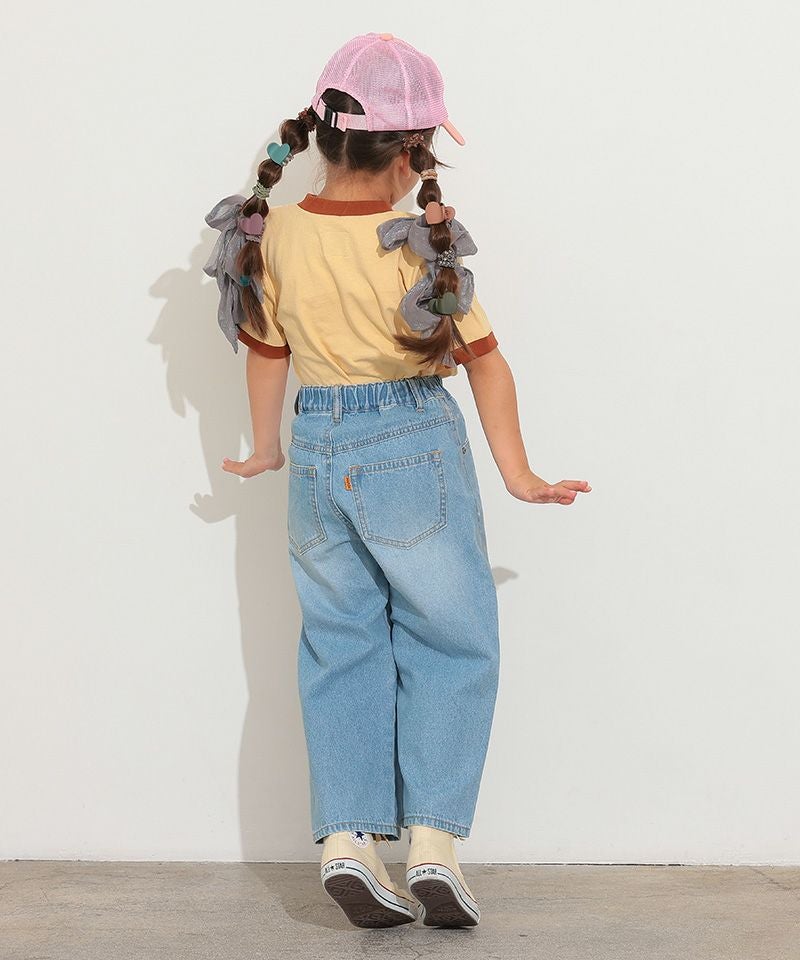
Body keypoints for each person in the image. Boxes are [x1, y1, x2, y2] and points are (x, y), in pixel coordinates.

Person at [204, 31, 591, 930]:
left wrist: (265, 447)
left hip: (317, 449)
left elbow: (267, 352)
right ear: (413, 151)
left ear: (323, 137)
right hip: (412, 440)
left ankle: (346, 841)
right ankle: (433, 849)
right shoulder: (414, 244)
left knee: (341, 644)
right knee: (450, 640)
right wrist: (519, 472)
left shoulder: (276, 231)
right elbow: (485, 361)